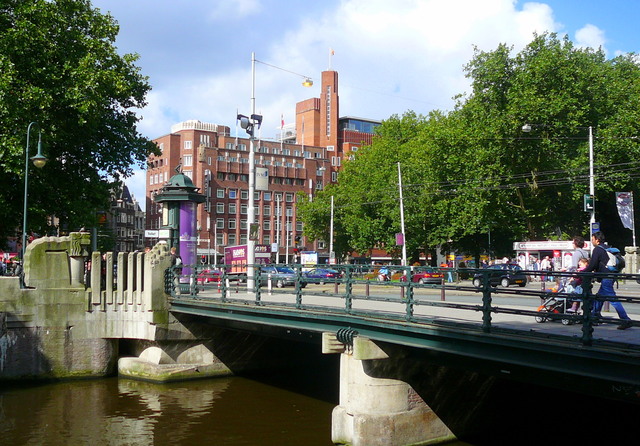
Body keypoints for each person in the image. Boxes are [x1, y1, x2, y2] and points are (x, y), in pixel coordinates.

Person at [583, 231, 633, 330]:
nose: (592, 241)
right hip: (612, 275)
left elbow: (593, 265)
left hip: (606, 276)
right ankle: (595, 316)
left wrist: (582, 273)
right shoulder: (607, 248)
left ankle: (625, 319)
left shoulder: (597, 249)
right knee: (600, 296)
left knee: (612, 299)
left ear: (597, 240)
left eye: (592, 239)